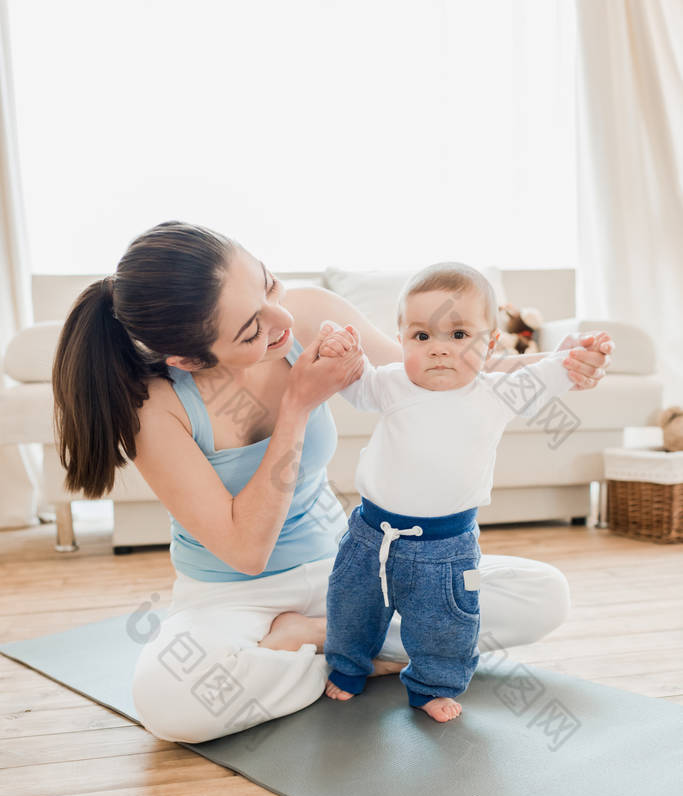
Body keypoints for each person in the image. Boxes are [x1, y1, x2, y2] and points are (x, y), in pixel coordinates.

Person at [51, 221, 614, 744]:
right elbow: (247, 551)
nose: (283, 321)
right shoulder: (157, 405)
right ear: (188, 358)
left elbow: (434, 377)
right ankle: (333, 641)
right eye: (253, 329)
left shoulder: (311, 311)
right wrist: (297, 404)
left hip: (350, 565)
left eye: (269, 286)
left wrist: (555, 364)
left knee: (545, 595)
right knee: (168, 701)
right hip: (232, 598)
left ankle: (342, 646)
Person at [316, 262, 611, 722]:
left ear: (490, 343)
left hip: (447, 549)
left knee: (448, 624)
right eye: (421, 337)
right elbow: (354, 384)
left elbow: (551, 376)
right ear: (401, 339)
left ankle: (432, 685)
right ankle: (348, 667)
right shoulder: (391, 382)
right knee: (350, 608)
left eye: (458, 336)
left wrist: (578, 359)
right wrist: (342, 353)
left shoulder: (497, 392)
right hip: (370, 535)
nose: (438, 350)